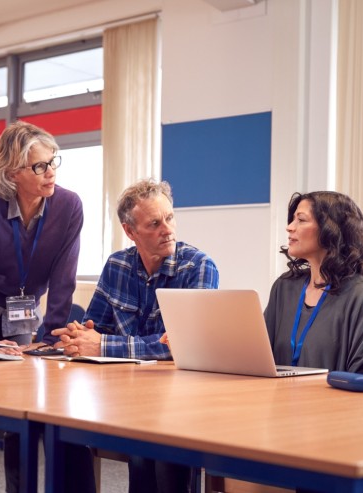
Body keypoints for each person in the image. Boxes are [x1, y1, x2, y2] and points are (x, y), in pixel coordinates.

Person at [53, 178, 219, 493]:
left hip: (176, 402)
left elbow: (182, 345)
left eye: (169, 218)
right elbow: (93, 327)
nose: (167, 229)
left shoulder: (198, 267)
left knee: (159, 450)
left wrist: (103, 344)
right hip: (122, 397)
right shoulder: (117, 265)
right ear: (131, 232)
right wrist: (80, 336)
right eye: (154, 223)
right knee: (60, 428)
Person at [0, 120, 93, 493]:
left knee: (24, 406)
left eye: (53, 162)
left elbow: (65, 278)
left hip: (26, 311)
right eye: (39, 166)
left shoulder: (68, 205)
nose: (50, 172)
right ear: (12, 172)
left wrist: (50, 338)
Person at [264, 191, 363, 376]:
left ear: (329, 229)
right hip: (278, 401)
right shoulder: (284, 286)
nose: (290, 227)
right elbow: (259, 355)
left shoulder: (360, 292)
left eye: (301, 220)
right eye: (292, 220)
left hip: (336, 403)